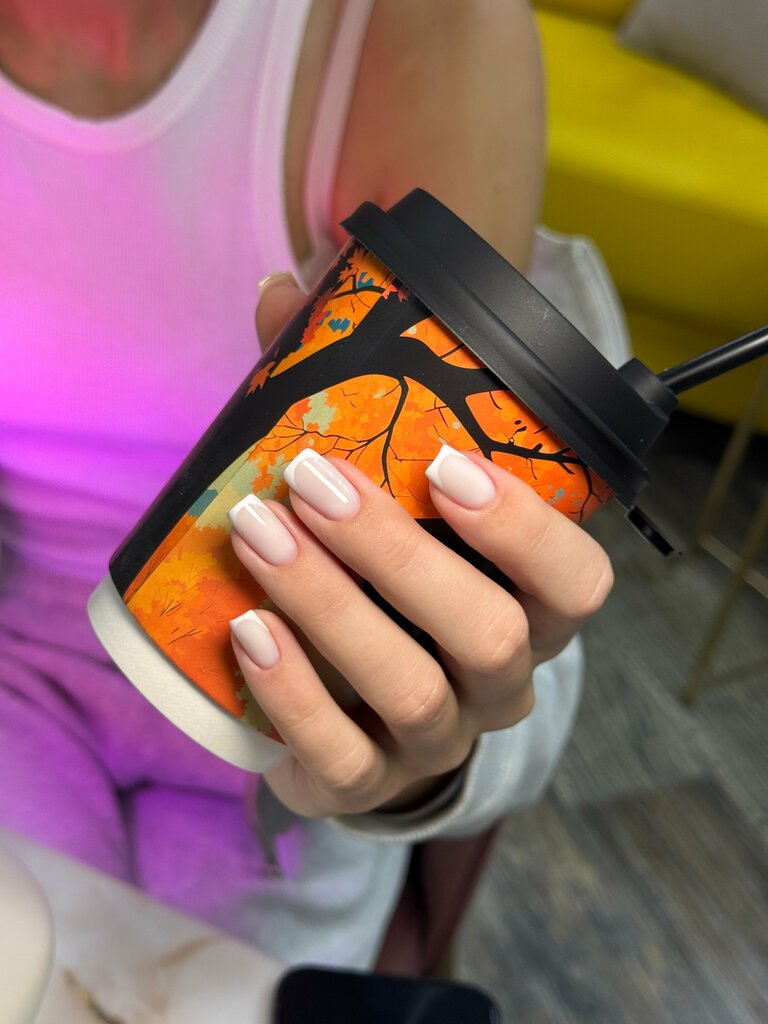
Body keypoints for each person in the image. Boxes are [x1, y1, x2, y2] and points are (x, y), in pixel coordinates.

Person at [0, 0, 613, 968]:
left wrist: (412, 737)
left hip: (287, 705)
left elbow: (454, 548)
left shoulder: (421, 34)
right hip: (20, 673)